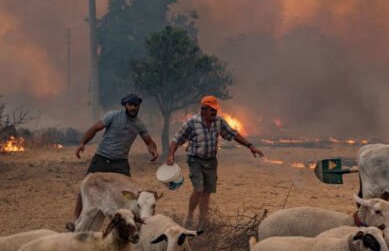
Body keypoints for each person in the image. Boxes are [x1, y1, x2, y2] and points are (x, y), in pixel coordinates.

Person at [166, 95, 264, 229]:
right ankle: (189, 216)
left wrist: (250, 146)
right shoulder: (192, 123)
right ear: (203, 110)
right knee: (199, 189)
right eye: (211, 110)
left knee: (207, 192)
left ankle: (202, 223)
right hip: (195, 159)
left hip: (211, 161)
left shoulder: (219, 122)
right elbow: (177, 139)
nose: (214, 112)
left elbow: (233, 134)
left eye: (215, 110)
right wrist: (171, 155)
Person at [67, 93, 158, 230]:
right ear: (125, 105)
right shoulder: (113, 116)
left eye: (135, 105)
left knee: (129, 193)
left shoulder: (139, 124)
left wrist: (153, 150)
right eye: (130, 105)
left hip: (120, 162)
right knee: (87, 186)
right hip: (102, 158)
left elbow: (149, 142)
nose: (133, 107)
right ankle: (74, 220)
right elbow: (95, 128)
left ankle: (127, 224)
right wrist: (82, 143)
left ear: (139, 106)